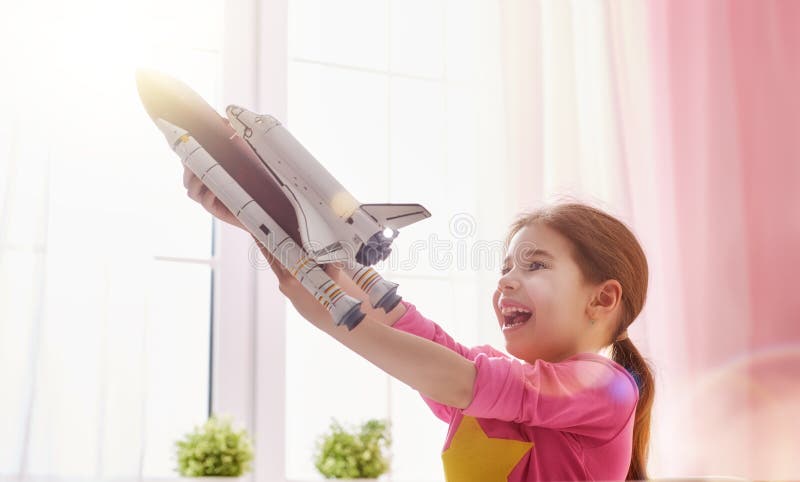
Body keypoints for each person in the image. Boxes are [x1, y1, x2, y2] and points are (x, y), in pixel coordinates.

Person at [183, 166, 655, 481]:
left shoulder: (609, 387)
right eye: (505, 268)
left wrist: (338, 321)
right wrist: (258, 220)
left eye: (534, 266)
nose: (507, 282)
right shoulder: (487, 393)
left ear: (603, 298)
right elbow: (397, 322)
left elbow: (458, 379)